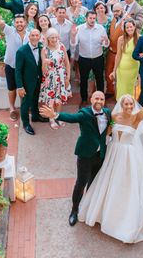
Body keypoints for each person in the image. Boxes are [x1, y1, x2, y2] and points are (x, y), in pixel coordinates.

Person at [77, 86, 143, 243]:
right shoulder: (114, 116)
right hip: (113, 153)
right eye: (126, 104)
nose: (129, 106)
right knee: (109, 181)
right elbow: (106, 132)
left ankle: (124, 218)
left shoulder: (136, 117)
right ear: (121, 105)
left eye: (131, 104)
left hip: (128, 156)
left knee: (126, 184)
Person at [39, 91, 111, 227]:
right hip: (85, 154)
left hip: (100, 154)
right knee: (81, 183)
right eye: (97, 98)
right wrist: (55, 115)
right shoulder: (84, 113)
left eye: (102, 99)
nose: (99, 101)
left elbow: (112, 126)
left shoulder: (107, 113)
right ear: (91, 99)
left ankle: (88, 206)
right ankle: (74, 210)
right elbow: (72, 118)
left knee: (94, 182)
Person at [0, 0, 29, 121]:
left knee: (25, 88)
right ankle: (12, 108)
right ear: (14, 23)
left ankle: (25, 107)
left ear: (25, 23)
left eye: (21, 22)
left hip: (25, 67)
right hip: (11, 66)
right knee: (11, 88)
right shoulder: (9, 31)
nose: (19, 23)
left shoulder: (31, 34)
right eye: (17, 22)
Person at [70, 11, 109, 107]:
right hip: (84, 59)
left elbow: (105, 44)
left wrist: (106, 41)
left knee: (100, 80)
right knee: (83, 80)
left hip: (98, 58)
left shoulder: (100, 28)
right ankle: (84, 100)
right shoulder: (79, 29)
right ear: (86, 19)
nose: (92, 20)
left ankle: (101, 101)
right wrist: (74, 35)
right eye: (90, 18)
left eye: (94, 18)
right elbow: (74, 44)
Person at [40, 28, 72, 130]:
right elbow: (43, 70)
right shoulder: (44, 50)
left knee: (59, 98)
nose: (54, 39)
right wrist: (45, 62)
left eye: (55, 37)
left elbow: (67, 62)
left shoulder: (61, 46)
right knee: (51, 99)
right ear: (48, 39)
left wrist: (68, 77)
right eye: (51, 38)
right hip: (50, 77)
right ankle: (51, 119)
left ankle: (58, 116)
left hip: (61, 75)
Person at [15, 28, 43, 135]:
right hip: (26, 82)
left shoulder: (41, 48)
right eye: (33, 35)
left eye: (37, 35)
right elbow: (18, 71)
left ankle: (35, 116)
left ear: (39, 37)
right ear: (29, 37)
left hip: (38, 80)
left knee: (35, 99)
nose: (35, 37)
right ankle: (26, 123)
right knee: (26, 103)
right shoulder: (21, 51)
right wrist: (20, 86)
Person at [110, 18, 140, 99]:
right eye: (127, 27)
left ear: (134, 27)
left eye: (131, 27)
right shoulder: (121, 39)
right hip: (122, 69)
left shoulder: (140, 38)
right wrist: (114, 70)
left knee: (132, 91)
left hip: (134, 69)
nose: (129, 29)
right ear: (125, 29)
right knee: (122, 90)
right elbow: (118, 55)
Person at [104, 3, 124, 97]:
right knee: (108, 72)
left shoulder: (125, 22)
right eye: (114, 11)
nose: (115, 13)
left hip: (120, 53)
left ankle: (119, 93)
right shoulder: (113, 20)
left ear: (122, 10)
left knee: (119, 74)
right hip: (111, 51)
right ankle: (110, 91)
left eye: (117, 11)